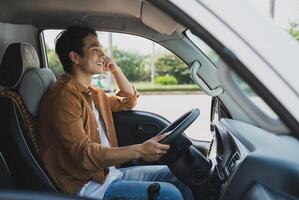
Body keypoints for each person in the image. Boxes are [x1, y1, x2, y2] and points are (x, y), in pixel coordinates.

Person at [39, 25, 194, 200]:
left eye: (101, 49)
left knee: (178, 176)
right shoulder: (63, 97)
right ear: (75, 57)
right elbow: (85, 155)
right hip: (88, 187)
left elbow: (128, 101)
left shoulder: (92, 92)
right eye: (95, 50)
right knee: (169, 194)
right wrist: (140, 150)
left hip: (109, 174)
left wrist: (115, 70)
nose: (103, 55)